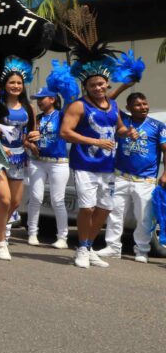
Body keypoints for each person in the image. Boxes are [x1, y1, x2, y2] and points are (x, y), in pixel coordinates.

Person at [60, 64, 127, 269]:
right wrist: (95, 142)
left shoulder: (113, 105)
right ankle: (81, 247)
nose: (97, 88)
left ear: (107, 84)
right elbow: (65, 132)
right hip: (84, 164)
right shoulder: (78, 106)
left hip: (108, 165)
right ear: (86, 87)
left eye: (100, 84)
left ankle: (89, 248)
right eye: (92, 85)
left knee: (105, 208)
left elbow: (120, 127)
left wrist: (128, 132)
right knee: (87, 208)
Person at [96, 92, 166, 263]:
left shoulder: (158, 126)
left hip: (145, 180)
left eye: (144, 103)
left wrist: (165, 174)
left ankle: (141, 249)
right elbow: (108, 101)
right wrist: (122, 86)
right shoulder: (123, 121)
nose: (143, 107)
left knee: (144, 217)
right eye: (138, 105)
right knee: (115, 213)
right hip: (121, 177)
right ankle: (113, 247)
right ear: (128, 108)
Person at [0, 58, 35, 261]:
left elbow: (30, 132)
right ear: (5, 85)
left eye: (19, 83)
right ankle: (1, 242)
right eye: (12, 82)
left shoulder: (28, 108)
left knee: (15, 203)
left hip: (19, 158)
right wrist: (0, 145)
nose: (16, 86)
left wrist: (33, 139)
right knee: (4, 200)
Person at [25, 87, 70, 249]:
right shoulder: (36, 118)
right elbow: (25, 138)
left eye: (42, 98)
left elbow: (70, 102)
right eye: (37, 98)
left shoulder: (61, 115)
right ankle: (32, 233)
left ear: (52, 99)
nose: (39, 101)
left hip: (59, 162)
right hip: (37, 162)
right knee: (35, 197)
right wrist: (31, 145)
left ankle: (62, 238)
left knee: (57, 200)